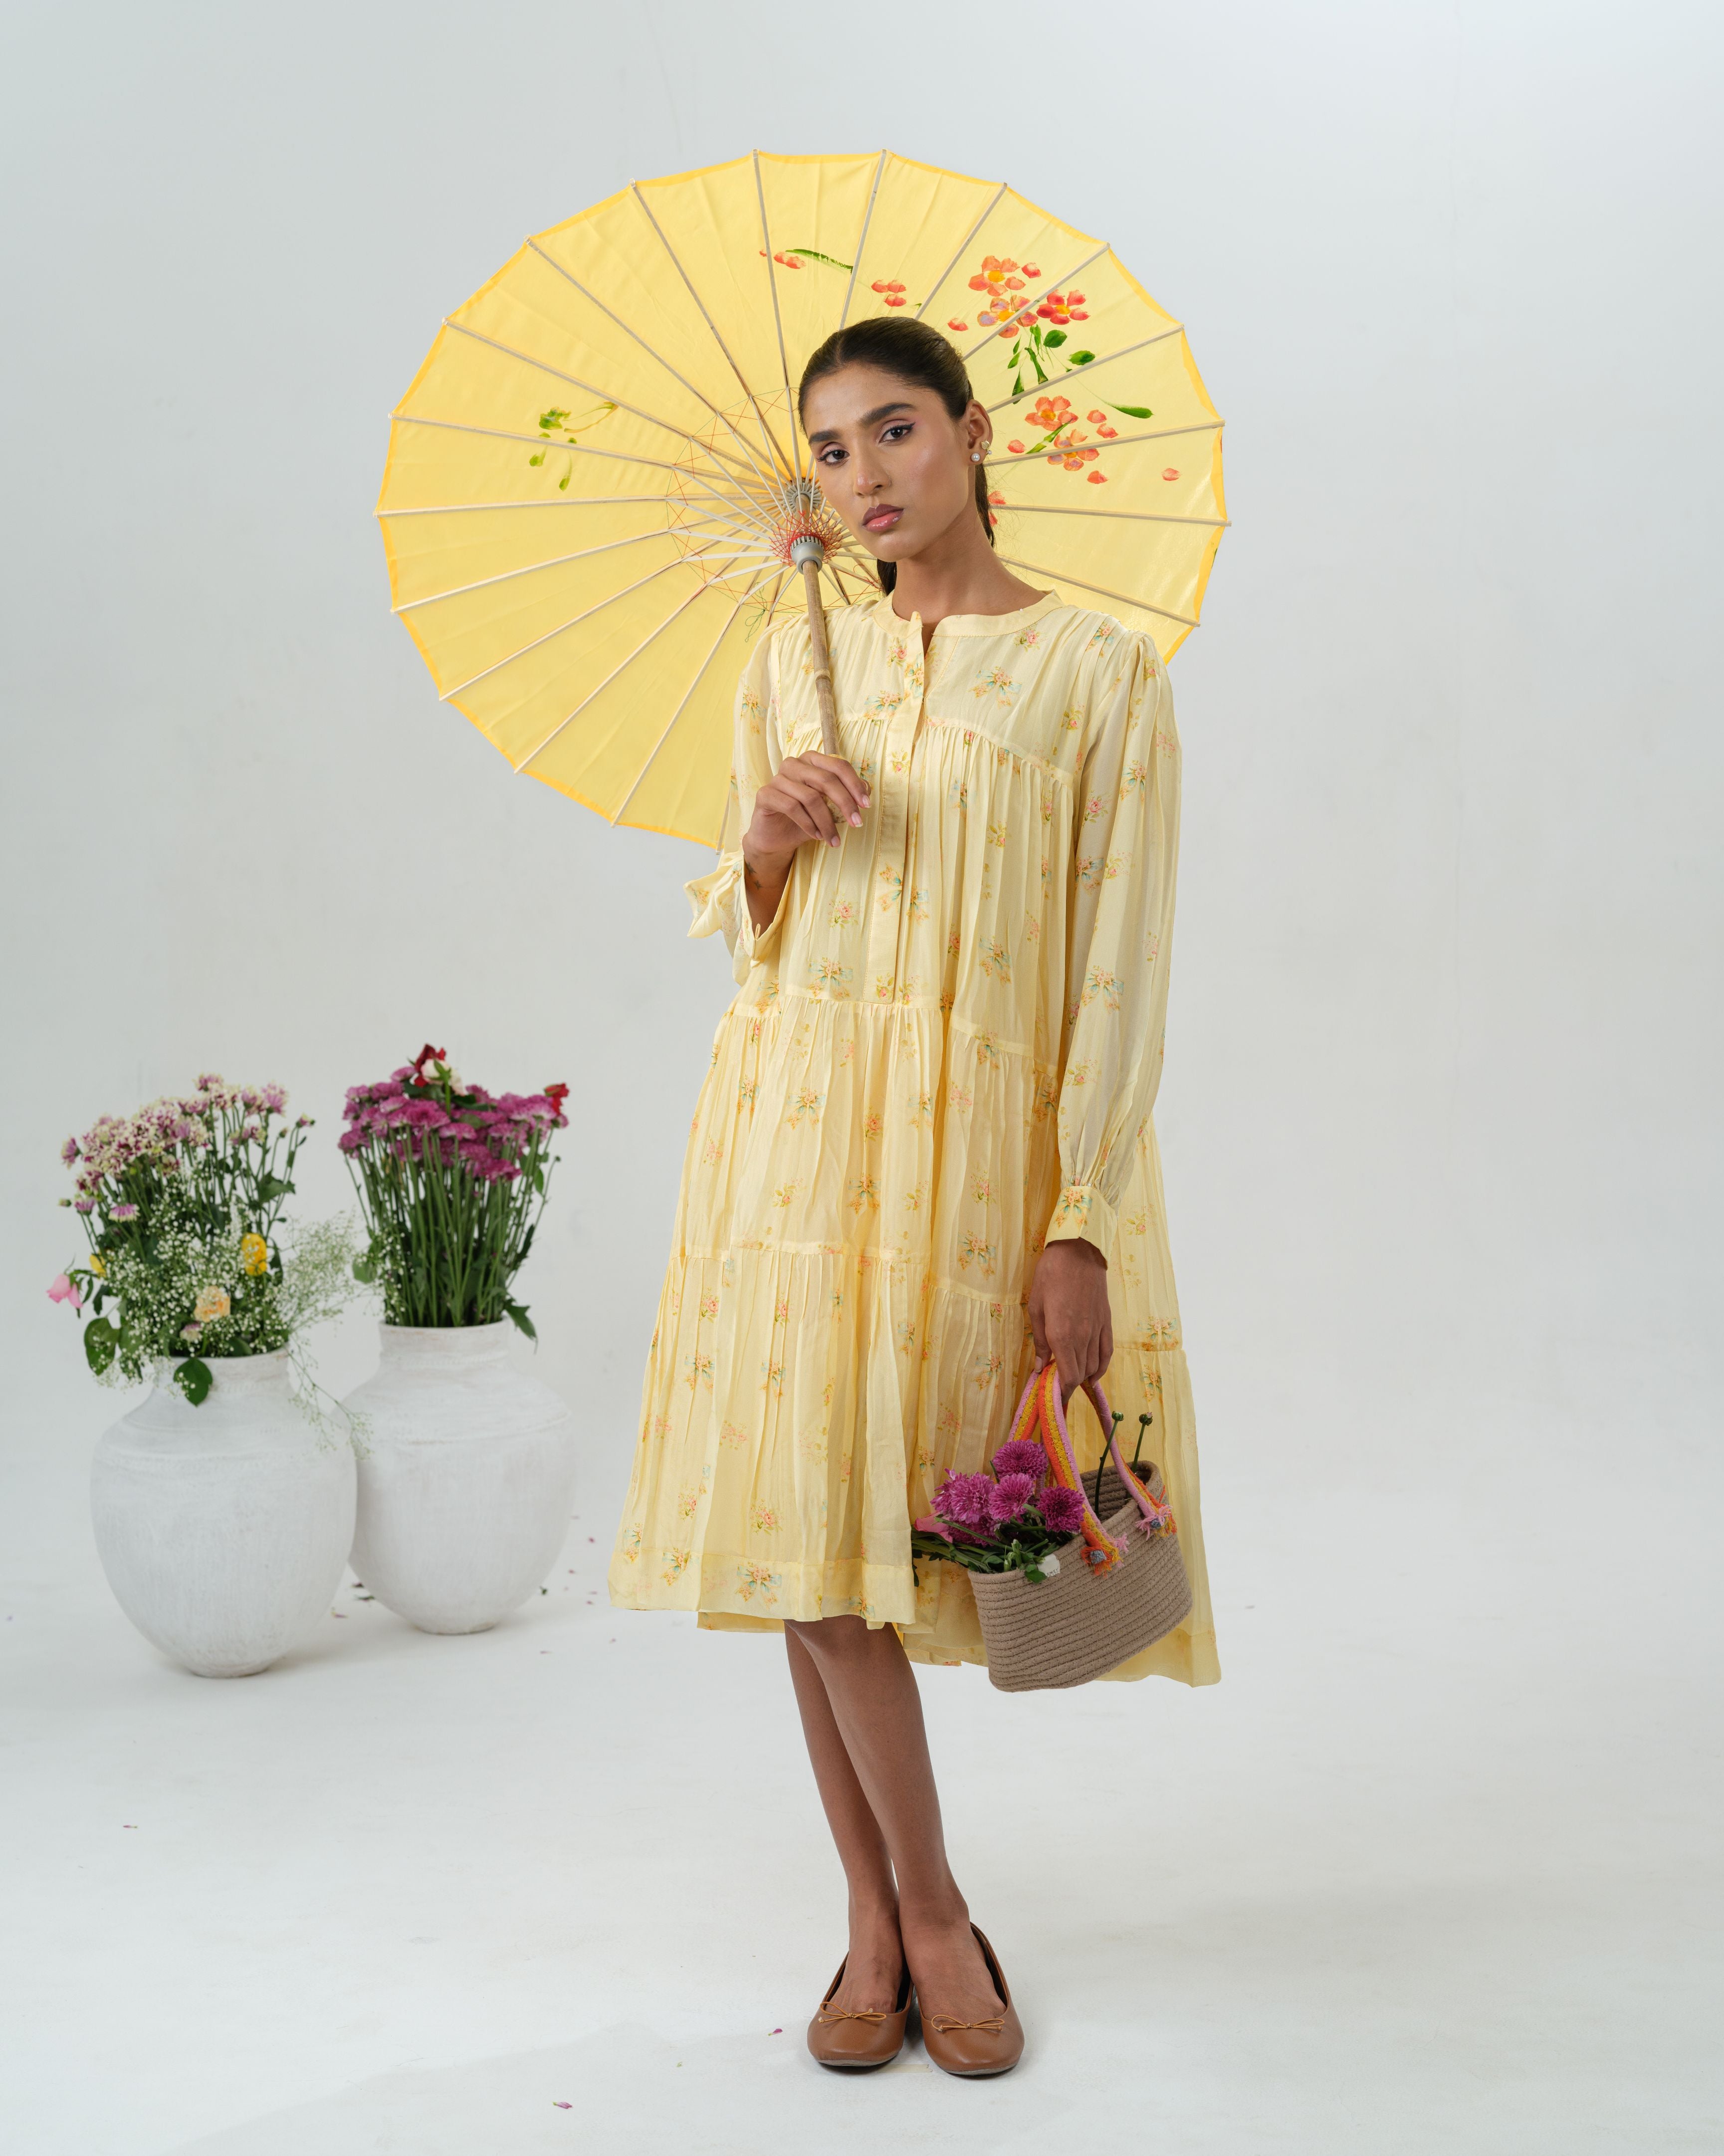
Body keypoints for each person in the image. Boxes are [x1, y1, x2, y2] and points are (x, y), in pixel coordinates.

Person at [608, 315, 1217, 2077]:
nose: (863, 476)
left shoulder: (1101, 674)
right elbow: (755, 943)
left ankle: (893, 1917)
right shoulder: (794, 663)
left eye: (894, 430)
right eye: (831, 450)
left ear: (971, 433)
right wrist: (765, 840)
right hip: (793, 1141)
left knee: (887, 1518)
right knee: (805, 1526)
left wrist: (1081, 1207)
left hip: (973, 1157)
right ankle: (914, 1917)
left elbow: (1119, 964)